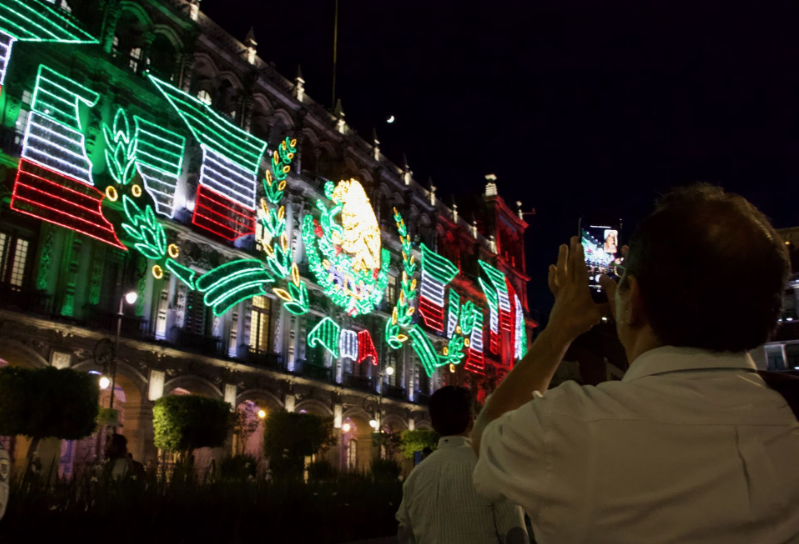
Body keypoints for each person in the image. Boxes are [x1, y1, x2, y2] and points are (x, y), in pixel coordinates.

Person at [472, 184, 799, 544]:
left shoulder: (564, 427)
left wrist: (558, 330)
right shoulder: (789, 415)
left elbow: (486, 436)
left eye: (623, 283)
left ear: (634, 297)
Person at [396, 386, 527, 544]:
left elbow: (405, 535)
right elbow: (514, 533)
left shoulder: (415, 477)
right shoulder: (492, 467)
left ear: (433, 423)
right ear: (472, 420)